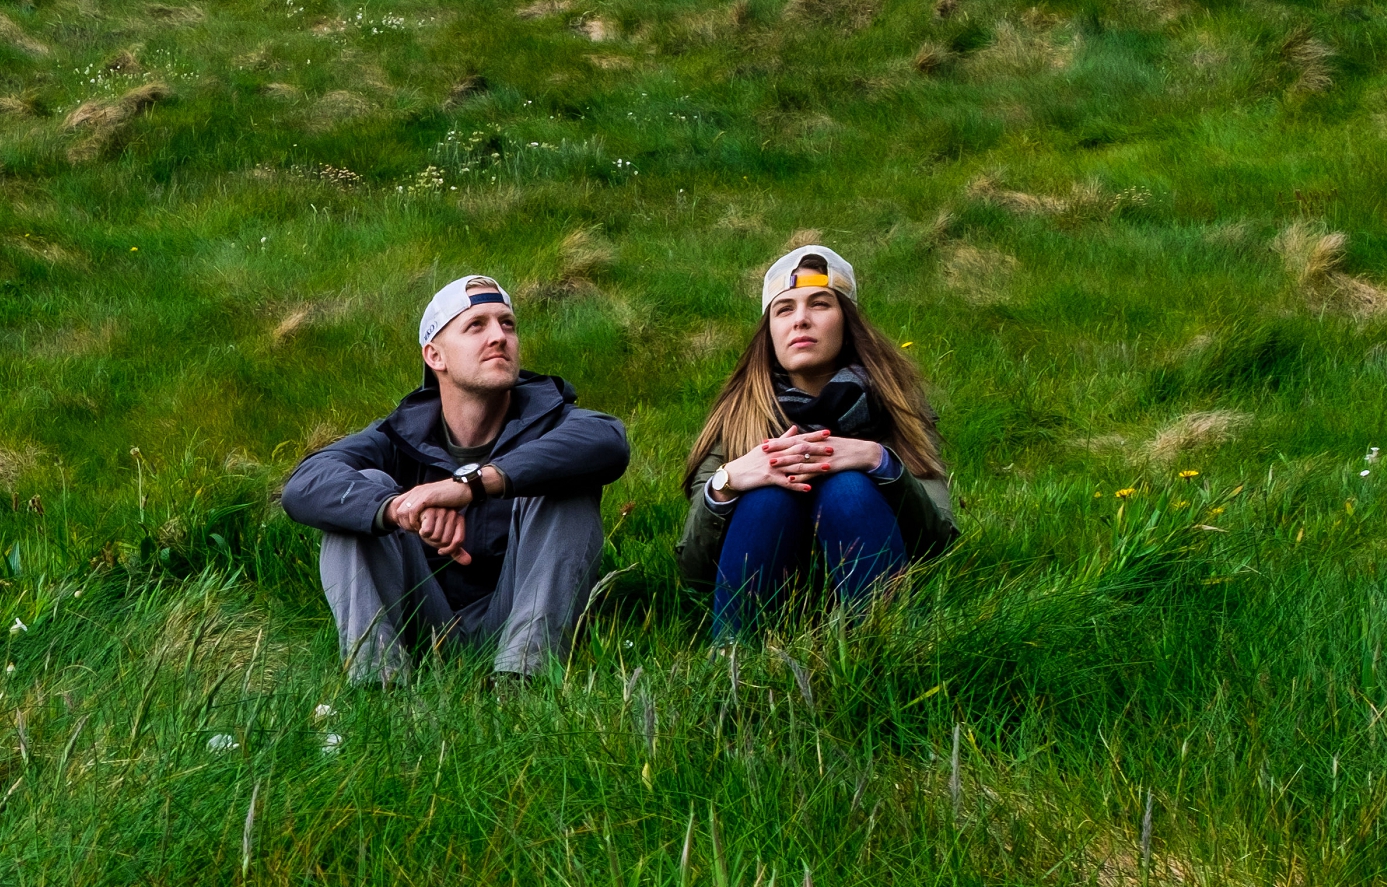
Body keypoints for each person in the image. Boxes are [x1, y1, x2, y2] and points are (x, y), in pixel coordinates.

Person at [279, 274, 630, 682]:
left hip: (518, 614)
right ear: (435, 356)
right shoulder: (398, 435)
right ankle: (378, 684)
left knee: (565, 482)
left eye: (507, 324)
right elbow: (304, 484)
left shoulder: (551, 419)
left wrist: (469, 486)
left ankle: (522, 681)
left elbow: (607, 441)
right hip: (423, 623)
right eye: (476, 325)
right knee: (361, 497)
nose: (499, 336)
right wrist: (399, 509)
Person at [678, 246, 955, 637]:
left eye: (820, 304)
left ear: (847, 320)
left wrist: (880, 462)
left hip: (878, 581)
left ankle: (887, 658)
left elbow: (938, 543)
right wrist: (726, 483)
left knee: (849, 487)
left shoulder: (895, 403)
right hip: (763, 599)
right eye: (784, 309)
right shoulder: (737, 415)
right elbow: (694, 572)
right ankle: (734, 669)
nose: (801, 320)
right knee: (767, 496)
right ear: (770, 331)